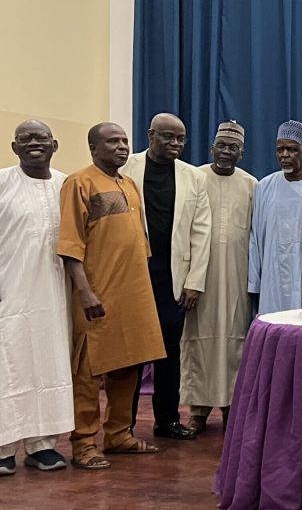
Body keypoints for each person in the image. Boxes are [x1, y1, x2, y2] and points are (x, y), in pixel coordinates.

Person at [57, 122, 166, 470]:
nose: (121, 147)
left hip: (133, 292)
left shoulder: (130, 184)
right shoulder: (79, 182)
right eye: (112, 141)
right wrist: (85, 292)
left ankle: (119, 433)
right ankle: (84, 442)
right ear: (93, 147)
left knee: (129, 363)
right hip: (96, 294)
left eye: (124, 141)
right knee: (89, 371)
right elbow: (70, 246)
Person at [121, 113, 211, 441]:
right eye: (168, 137)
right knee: (130, 353)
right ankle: (122, 425)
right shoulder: (125, 168)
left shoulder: (192, 177)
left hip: (174, 279)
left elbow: (202, 230)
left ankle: (168, 420)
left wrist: (194, 281)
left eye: (181, 139)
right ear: (150, 135)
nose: (175, 144)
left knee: (170, 352)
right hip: (132, 277)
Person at [0, 121, 74, 475]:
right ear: (14, 148)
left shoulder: (66, 186)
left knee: (49, 362)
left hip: (55, 295)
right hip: (8, 294)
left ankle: (42, 445)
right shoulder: (1, 183)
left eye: (40, 138)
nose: (33, 143)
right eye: (25, 139)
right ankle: (2, 445)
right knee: (8, 367)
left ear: (54, 145)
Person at [181, 121, 256, 434]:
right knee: (198, 341)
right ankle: (197, 411)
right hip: (199, 278)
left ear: (242, 152)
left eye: (233, 147)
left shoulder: (252, 185)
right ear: (212, 148)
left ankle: (230, 408)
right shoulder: (194, 179)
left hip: (237, 277)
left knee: (235, 343)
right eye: (221, 146)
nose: (226, 152)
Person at [248, 120, 302, 315]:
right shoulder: (264, 187)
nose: (284, 155)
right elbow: (255, 238)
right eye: (280, 149)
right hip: (274, 276)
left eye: (291, 149)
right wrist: (254, 283)